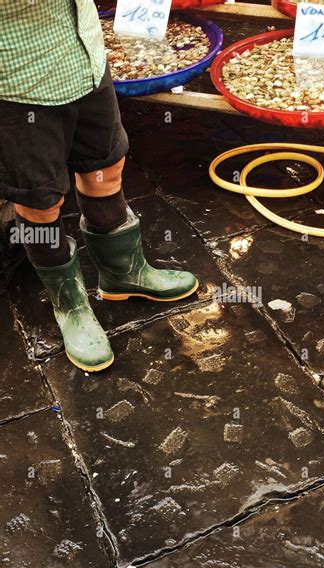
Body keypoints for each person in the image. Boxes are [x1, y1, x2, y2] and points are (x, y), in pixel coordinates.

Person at [0, 0, 198, 372]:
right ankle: (70, 304)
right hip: (16, 80)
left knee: (105, 168)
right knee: (39, 201)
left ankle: (123, 273)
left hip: (84, 58)